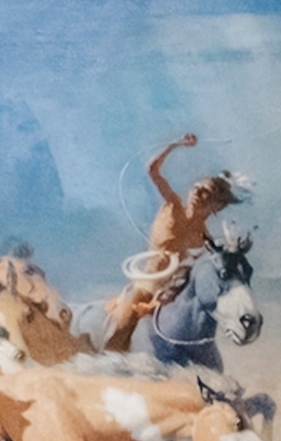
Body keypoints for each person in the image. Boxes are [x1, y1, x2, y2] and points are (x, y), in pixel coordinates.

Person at [100, 133, 244, 352]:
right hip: (147, 284)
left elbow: (209, 269)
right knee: (125, 323)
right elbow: (153, 170)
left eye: (207, 193)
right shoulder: (173, 205)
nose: (198, 192)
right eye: (197, 188)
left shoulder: (205, 238)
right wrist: (176, 144)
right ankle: (109, 357)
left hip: (173, 293)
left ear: (216, 206)